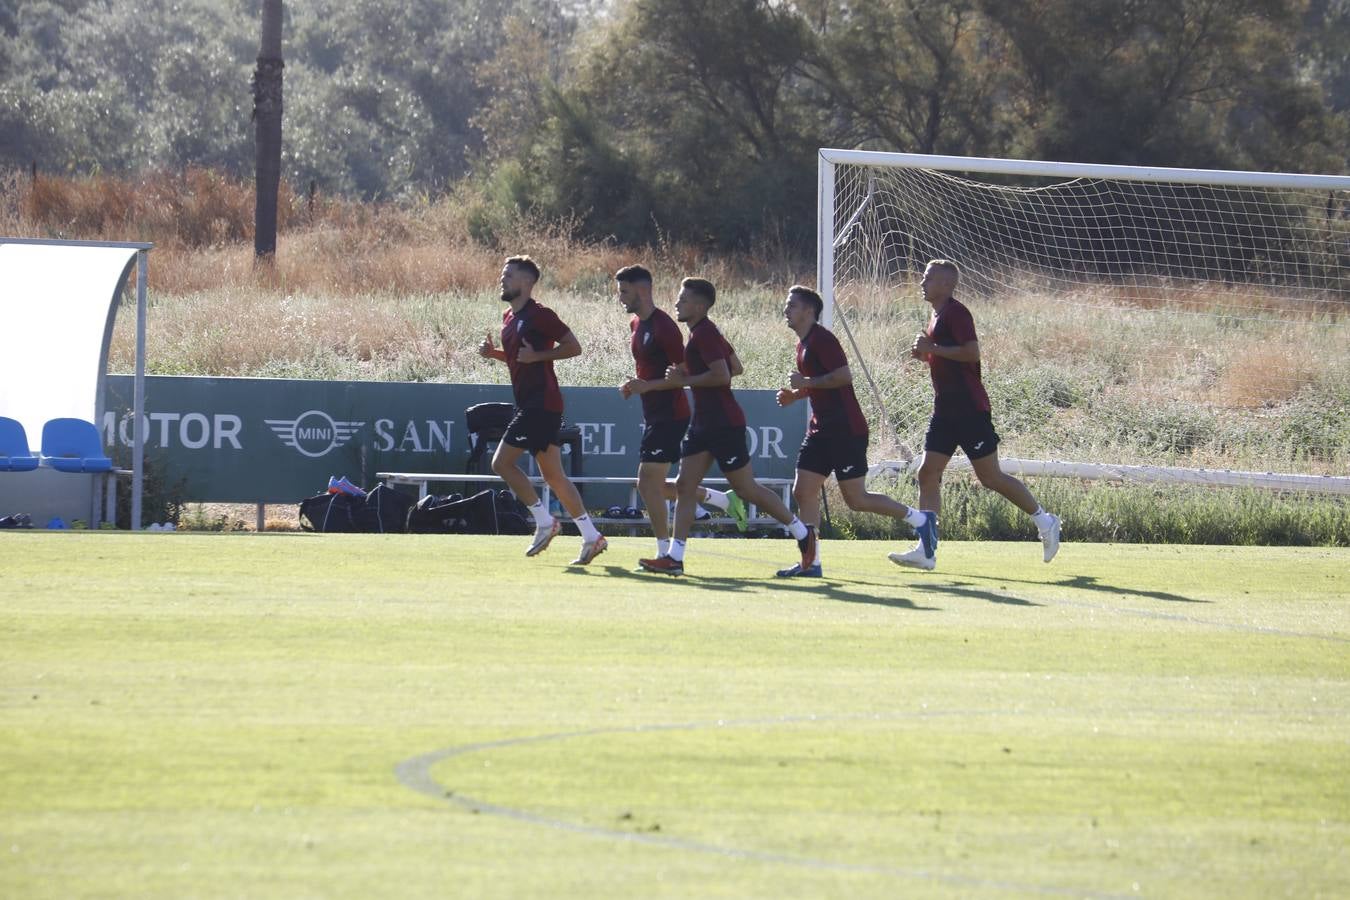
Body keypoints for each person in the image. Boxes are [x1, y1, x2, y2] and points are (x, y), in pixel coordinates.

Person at [638, 278, 816, 576]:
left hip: (723, 422)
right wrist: (690, 372)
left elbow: (722, 375)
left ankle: (802, 533)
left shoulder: (704, 334)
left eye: (683, 300)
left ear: (700, 306)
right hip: (703, 423)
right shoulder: (704, 333)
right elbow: (736, 366)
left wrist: (684, 380)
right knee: (684, 485)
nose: (677, 304)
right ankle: (674, 558)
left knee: (746, 489)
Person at [890, 259, 1060, 570]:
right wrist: (926, 354)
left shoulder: (957, 312)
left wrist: (933, 347)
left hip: (969, 409)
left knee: (990, 477)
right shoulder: (936, 314)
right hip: (945, 410)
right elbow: (947, 357)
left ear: (945, 285)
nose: (921, 282)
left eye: (927, 278)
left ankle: (1046, 522)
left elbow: (971, 353)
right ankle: (926, 550)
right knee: (927, 474)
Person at [774, 285, 936, 577]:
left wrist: (804, 381)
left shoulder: (823, 340)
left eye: (792, 305)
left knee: (857, 500)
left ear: (809, 311)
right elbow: (819, 383)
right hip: (821, 431)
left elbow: (843, 377)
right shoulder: (803, 343)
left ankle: (920, 521)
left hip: (846, 430)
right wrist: (795, 395)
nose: (786, 310)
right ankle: (811, 564)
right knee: (803, 490)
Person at [478, 255, 607, 565]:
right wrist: (493, 353)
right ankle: (591, 537)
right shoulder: (509, 318)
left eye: (508, 275)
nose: (502, 278)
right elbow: (518, 359)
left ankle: (545, 521)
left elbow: (574, 347)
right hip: (534, 404)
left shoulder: (540, 315)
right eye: (502, 273)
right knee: (555, 477)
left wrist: (538, 356)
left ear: (527, 282)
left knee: (501, 464)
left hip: (541, 404)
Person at [616, 265, 747, 563]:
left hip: (672, 413)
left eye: (624, 292)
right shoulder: (637, 324)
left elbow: (684, 372)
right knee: (654, 485)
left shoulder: (666, 328)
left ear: (642, 291)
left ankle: (665, 553)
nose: (621, 298)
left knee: (647, 482)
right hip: (654, 413)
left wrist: (645, 386)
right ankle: (721, 499)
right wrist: (638, 385)